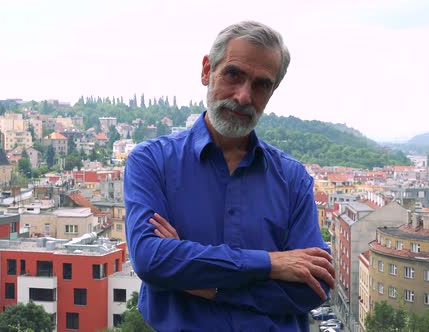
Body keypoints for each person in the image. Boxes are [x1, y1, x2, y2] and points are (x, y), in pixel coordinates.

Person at [124, 20, 335, 332]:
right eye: (233, 75)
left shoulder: (293, 179)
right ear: (207, 70)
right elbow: (151, 259)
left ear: (273, 90)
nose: (243, 97)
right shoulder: (152, 161)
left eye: (262, 84)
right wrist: (272, 264)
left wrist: (203, 283)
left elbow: (313, 286)